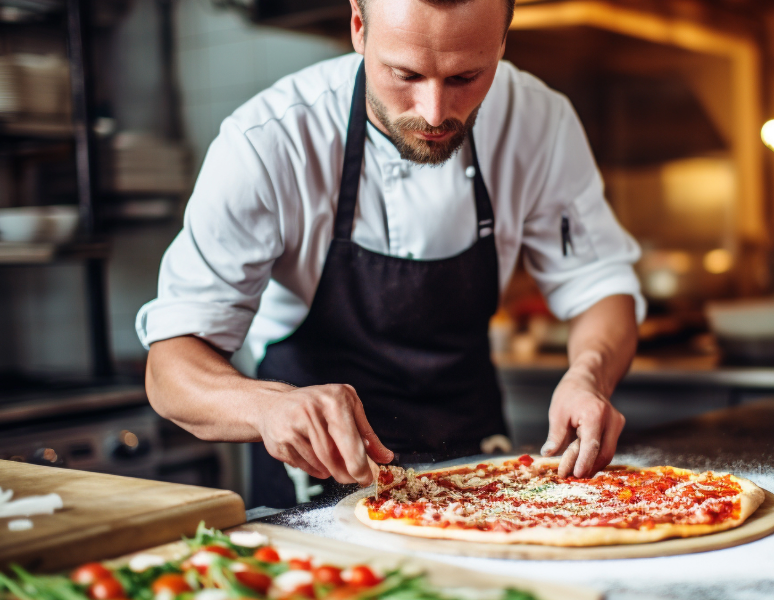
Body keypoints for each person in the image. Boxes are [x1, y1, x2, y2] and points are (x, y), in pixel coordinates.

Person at [136, 0, 645, 506]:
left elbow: (600, 285)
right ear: (359, 26)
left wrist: (588, 376)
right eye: (405, 74)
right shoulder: (270, 142)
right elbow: (170, 368)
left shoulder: (540, 120)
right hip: (315, 487)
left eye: (466, 76)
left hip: (479, 474)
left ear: (503, 41)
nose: (434, 111)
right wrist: (266, 407)